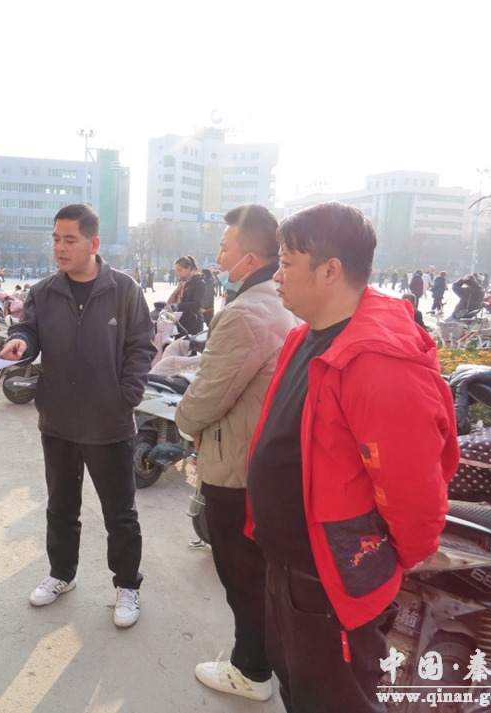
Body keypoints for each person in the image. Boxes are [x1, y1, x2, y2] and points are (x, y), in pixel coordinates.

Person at [245, 202, 459, 713]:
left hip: (332, 579)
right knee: (299, 689)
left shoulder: (377, 364)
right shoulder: (306, 335)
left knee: (337, 699)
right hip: (290, 566)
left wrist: (376, 561)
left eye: (286, 264)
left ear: (330, 270)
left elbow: (414, 494)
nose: (276, 276)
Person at [0, 203, 155, 628]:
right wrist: (19, 341)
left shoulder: (124, 290)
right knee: (61, 506)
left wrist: (125, 396)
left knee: (119, 514)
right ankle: (61, 574)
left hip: (109, 423)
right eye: (55, 239)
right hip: (60, 420)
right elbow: (28, 330)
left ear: (93, 243)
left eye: (70, 239)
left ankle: (127, 585)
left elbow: (142, 346)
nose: (60, 248)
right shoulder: (44, 291)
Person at [174, 206, 298, 702]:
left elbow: (209, 394)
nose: (219, 257)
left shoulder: (245, 312)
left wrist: (185, 421)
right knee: (259, 573)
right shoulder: (281, 302)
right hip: (265, 458)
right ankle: (264, 659)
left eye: (225, 248)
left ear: (250, 257)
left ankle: (251, 671)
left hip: (236, 466)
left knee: (241, 573)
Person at [168, 255, 207, 334]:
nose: (178, 273)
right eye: (177, 271)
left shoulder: (199, 282)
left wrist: (178, 306)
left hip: (193, 323)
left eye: (180, 270)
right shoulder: (182, 283)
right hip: (180, 322)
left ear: (189, 268)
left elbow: (197, 303)